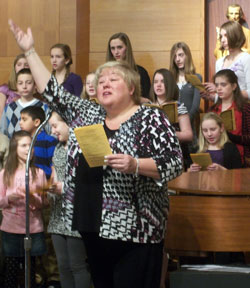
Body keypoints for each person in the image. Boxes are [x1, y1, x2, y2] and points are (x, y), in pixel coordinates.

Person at [9, 19, 183, 288]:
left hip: (136, 231)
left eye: (113, 79)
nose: (105, 83)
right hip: (91, 223)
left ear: (132, 88)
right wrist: (30, 51)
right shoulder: (88, 112)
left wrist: (135, 164)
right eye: (101, 80)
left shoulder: (150, 117)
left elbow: (173, 163)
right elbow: (52, 92)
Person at [48, 111, 91, 288]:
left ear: (69, 124)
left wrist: (64, 188)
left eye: (55, 126)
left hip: (76, 216)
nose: (52, 131)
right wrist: (49, 190)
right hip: (58, 214)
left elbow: (90, 183)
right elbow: (54, 176)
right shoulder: (58, 148)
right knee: (63, 267)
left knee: (77, 266)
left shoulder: (83, 148)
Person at [0, 130, 47, 288]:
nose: (29, 149)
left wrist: (33, 199)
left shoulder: (38, 173)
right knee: (11, 271)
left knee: (32, 270)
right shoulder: (5, 174)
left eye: (31, 145)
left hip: (33, 229)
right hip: (11, 229)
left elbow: (44, 203)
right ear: (15, 148)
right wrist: (8, 199)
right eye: (24, 145)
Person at [150, 68, 193, 170]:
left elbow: (188, 135)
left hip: (173, 153)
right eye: (155, 82)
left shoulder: (179, 107)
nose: (158, 85)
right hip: (152, 155)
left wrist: (167, 134)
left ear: (169, 85)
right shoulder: (147, 106)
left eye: (163, 82)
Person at [211, 69, 250, 167]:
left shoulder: (245, 108)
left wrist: (230, 136)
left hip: (240, 157)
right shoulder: (212, 110)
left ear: (233, 86)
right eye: (216, 85)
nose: (219, 88)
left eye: (223, 85)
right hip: (217, 157)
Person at [204, 21, 250, 101]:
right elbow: (222, 97)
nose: (222, 40)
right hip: (224, 110)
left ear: (235, 35)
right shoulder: (219, 62)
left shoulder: (246, 58)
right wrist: (211, 97)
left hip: (242, 109)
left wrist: (220, 89)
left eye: (226, 36)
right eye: (221, 36)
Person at [169, 42, 201, 153]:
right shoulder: (170, 78)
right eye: (175, 56)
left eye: (181, 55)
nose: (177, 59)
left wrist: (185, 123)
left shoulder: (196, 77)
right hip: (173, 128)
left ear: (187, 56)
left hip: (190, 126)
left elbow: (195, 106)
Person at [0, 68, 49, 139]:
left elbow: (50, 132)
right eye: (20, 83)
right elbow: (3, 133)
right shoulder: (9, 108)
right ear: (16, 85)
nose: (24, 86)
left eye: (28, 82)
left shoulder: (44, 107)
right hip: (14, 148)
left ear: (35, 85)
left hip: (38, 148)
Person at [106, 32, 151, 99]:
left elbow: (147, 99)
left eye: (119, 47)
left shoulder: (140, 72)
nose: (116, 52)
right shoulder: (106, 72)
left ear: (127, 48)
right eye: (113, 48)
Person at [20, 106, 57, 179]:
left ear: (36, 122)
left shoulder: (49, 141)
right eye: (20, 119)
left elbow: (54, 168)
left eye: (24, 120)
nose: (20, 123)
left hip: (44, 185)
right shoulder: (21, 142)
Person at [0, 54, 29, 118]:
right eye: (19, 65)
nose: (22, 67)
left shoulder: (36, 92)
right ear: (15, 68)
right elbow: (0, 116)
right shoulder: (4, 89)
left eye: (26, 65)